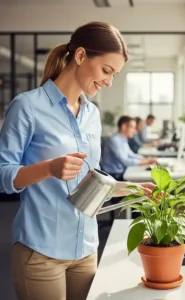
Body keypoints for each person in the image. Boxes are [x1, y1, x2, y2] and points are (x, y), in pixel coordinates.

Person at [0, 22, 156, 300]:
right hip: (41, 250)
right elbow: (3, 175)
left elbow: (90, 183)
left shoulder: (92, 115)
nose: (109, 81)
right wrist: (48, 168)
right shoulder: (28, 107)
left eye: (115, 75)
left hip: (85, 248)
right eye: (107, 71)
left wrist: (134, 190)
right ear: (81, 56)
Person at [101, 115, 157, 180]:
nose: (135, 131)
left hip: (121, 172)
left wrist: (147, 159)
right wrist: (147, 161)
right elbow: (125, 161)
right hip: (114, 176)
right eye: (132, 127)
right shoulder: (115, 140)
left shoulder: (123, 139)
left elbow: (131, 155)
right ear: (124, 126)